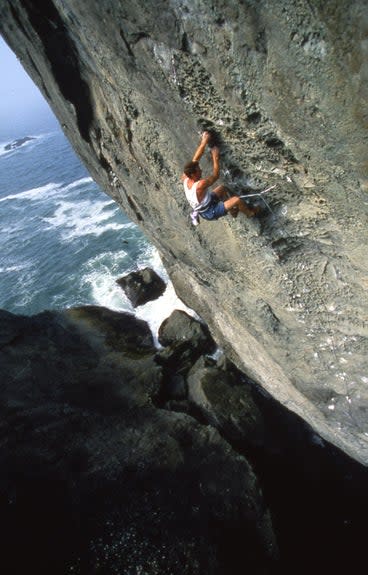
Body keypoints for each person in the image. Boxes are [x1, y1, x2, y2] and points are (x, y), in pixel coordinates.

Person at [182, 131, 259, 225]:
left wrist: (204, 141)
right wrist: (215, 158)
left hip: (207, 202)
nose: (201, 171)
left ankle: (232, 210)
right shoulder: (199, 185)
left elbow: (195, 159)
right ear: (193, 175)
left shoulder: (186, 177)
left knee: (222, 189)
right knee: (236, 200)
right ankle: (250, 213)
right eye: (199, 171)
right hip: (210, 212)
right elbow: (215, 176)